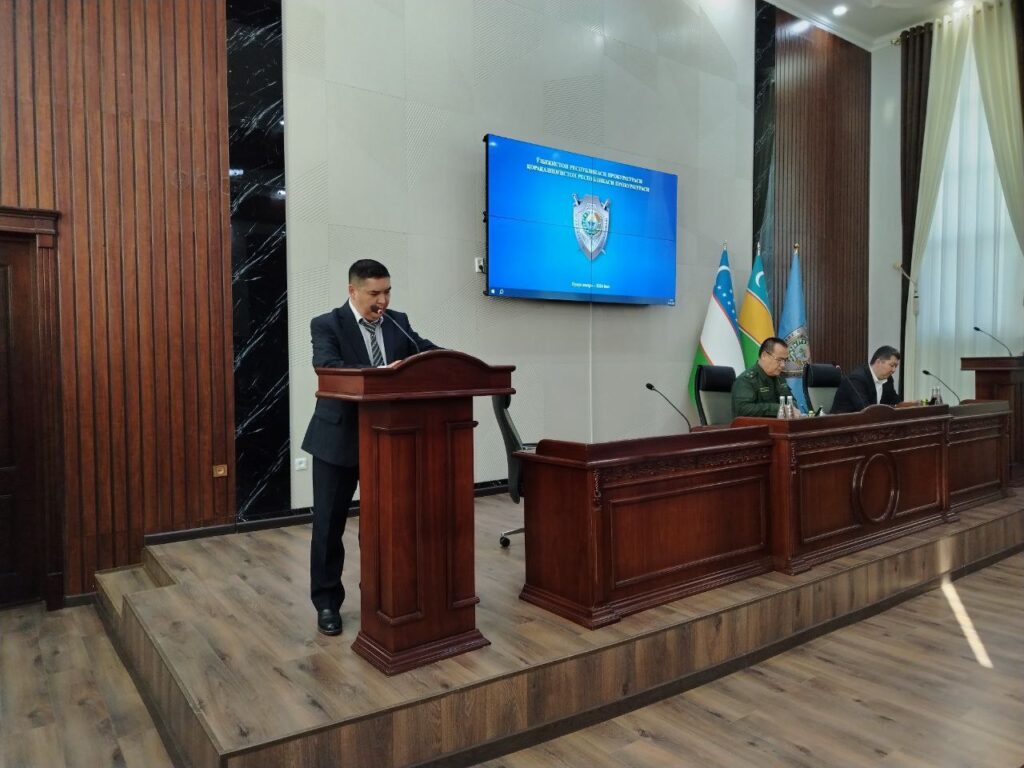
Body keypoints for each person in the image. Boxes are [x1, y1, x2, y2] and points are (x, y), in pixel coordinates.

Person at [301, 259, 437, 636]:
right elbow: (329, 368)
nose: (383, 301)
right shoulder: (326, 324)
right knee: (329, 526)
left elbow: (425, 351)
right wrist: (384, 374)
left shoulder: (397, 322)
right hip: (338, 440)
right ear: (353, 291)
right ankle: (327, 602)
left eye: (387, 291)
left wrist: (452, 362)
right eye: (375, 293)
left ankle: (381, 595)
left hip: (388, 439)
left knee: (385, 524)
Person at [732, 337, 794, 417]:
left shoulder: (780, 378)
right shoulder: (746, 380)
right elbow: (743, 409)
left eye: (785, 360)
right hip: (757, 425)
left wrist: (791, 409)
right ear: (764, 355)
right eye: (779, 360)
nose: (783, 365)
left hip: (779, 424)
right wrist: (779, 408)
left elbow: (792, 402)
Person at [830, 345, 901, 414]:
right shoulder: (856, 379)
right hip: (844, 421)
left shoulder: (888, 379)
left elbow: (895, 402)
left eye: (896, 366)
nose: (894, 370)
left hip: (873, 420)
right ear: (878, 362)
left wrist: (902, 406)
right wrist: (892, 408)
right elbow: (865, 409)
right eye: (892, 365)